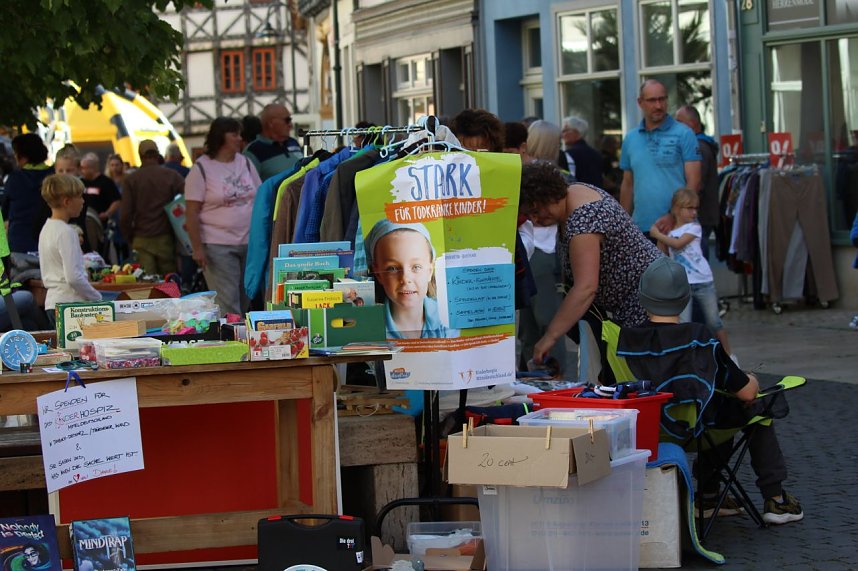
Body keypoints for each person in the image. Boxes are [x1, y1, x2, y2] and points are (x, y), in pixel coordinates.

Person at [623, 257, 803, 525]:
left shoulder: (625, 338)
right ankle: (775, 500)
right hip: (695, 429)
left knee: (716, 404)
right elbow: (746, 392)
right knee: (750, 407)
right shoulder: (699, 337)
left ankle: (709, 497)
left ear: (642, 297)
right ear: (685, 298)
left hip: (648, 428)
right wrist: (752, 378)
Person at [519, 161, 662, 366]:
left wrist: (550, 337)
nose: (534, 218)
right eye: (528, 213)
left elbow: (585, 288)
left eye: (536, 210)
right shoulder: (574, 192)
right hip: (638, 298)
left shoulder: (582, 221)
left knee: (642, 373)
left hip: (640, 302)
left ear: (549, 195)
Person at [185, 117, 261, 316]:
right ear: (220, 137)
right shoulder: (201, 168)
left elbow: (260, 197)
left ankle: (242, 338)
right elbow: (191, 212)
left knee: (246, 297)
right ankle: (234, 343)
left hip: (249, 242)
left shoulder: (245, 162)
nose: (239, 138)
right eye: (234, 134)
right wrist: (197, 248)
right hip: (217, 245)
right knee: (228, 302)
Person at [649, 188, 735, 356]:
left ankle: (729, 355)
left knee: (714, 322)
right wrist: (660, 236)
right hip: (683, 284)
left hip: (703, 281)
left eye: (696, 208)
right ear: (676, 209)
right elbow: (663, 253)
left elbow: (678, 244)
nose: (694, 212)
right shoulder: (670, 231)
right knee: (683, 323)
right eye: (689, 208)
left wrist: (656, 234)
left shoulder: (694, 227)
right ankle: (685, 358)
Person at [620, 79, 701, 237]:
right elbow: (628, 184)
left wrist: (673, 216)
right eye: (651, 100)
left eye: (662, 99)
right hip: (641, 227)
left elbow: (694, 182)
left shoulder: (684, 134)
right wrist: (623, 224)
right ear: (640, 102)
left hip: (678, 228)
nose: (658, 106)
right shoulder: (631, 138)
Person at [518, 121, 567, 373]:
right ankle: (555, 379)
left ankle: (530, 380)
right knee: (549, 325)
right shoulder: (555, 177)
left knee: (528, 328)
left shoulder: (521, 173)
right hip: (545, 254)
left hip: (524, 253)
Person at [365, 219, 457, 339]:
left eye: (416, 267)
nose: (405, 278)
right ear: (378, 274)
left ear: (430, 270)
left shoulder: (448, 320)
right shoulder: (369, 329)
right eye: (392, 268)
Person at [38, 174, 102, 325]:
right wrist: (97, 298)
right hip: (71, 304)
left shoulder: (46, 229)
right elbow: (73, 277)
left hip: (53, 302)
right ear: (67, 201)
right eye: (80, 196)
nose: (83, 201)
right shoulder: (67, 232)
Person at [120, 140, 185, 276]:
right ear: (157, 155)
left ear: (140, 156)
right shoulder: (171, 175)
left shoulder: (131, 179)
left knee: (146, 284)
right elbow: (190, 195)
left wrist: (129, 236)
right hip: (165, 237)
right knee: (168, 283)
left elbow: (125, 214)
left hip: (141, 238)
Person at [675, 105, 719, 260]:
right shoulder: (703, 145)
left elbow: (697, 181)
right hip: (702, 212)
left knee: (697, 259)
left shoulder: (699, 147)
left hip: (700, 213)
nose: (675, 126)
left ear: (692, 124)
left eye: (679, 121)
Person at [2, 134, 53, 254]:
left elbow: (5, 212)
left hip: (20, 245)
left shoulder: (14, 179)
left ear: (23, 157)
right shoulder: (53, 176)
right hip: (50, 241)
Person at [243, 103, 302, 181]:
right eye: (287, 120)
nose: (290, 125)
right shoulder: (253, 151)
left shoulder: (293, 142)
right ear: (271, 123)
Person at [558, 116, 604, 188]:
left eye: (566, 130)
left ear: (577, 132)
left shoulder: (568, 154)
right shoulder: (595, 153)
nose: (562, 134)